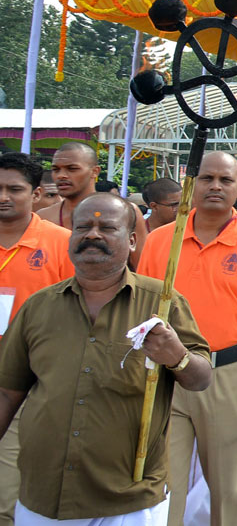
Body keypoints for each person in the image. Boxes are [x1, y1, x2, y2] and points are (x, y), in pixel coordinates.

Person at [0, 193, 211, 525]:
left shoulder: (163, 302)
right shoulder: (39, 306)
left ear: (130, 240)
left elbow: (201, 378)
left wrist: (177, 356)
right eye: (83, 226)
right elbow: (7, 391)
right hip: (42, 494)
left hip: (128, 498)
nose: (92, 235)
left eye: (106, 227)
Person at [139, 152, 237, 526]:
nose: (215, 186)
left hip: (225, 375)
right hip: (164, 378)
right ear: (190, 183)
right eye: (206, 178)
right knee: (161, 488)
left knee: (226, 490)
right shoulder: (162, 240)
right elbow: (140, 315)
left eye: (225, 180)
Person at [0, 153, 73, 526]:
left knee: (7, 490)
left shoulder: (61, 243)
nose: (3, 197)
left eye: (14, 189)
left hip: (30, 380)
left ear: (37, 193)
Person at [41, 143, 100, 232]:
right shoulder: (43, 218)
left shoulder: (116, 213)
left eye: (72, 169)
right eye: (56, 169)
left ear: (95, 171)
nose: (61, 176)